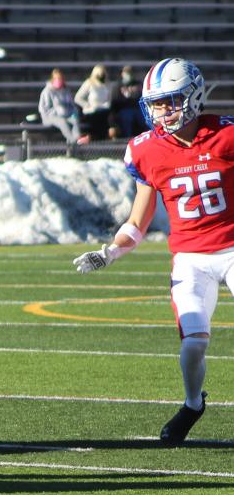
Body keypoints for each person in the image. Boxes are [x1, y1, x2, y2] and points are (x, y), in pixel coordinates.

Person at [72, 58, 233, 445]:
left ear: (193, 97)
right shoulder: (148, 150)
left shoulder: (226, 136)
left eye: (169, 101)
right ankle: (193, 404)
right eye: (156, 103)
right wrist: (110, 252)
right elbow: (137, 222)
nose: (162, 111)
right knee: (194, 344)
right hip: (190, 259)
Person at [38, 68, 83, 149]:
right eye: (56, 78)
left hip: (66, 115)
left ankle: (77, 139)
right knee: (62, 122)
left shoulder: (66, 91)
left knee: (74, 120)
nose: (59, 80)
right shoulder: (47, 91)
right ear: (52, 79)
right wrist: (58, 111)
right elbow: (43, 109)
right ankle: (74, 142)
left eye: (60, 78)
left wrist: (73, 113)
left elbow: (71, 105)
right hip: (50, 117)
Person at [75, 65, 113, 142]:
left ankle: (103, 139)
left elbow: (109, 99)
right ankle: (94, 139)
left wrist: (106, 105)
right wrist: (88, 105)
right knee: (97, 119)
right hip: (91, 111)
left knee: (108, 118)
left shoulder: (107, 84)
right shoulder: (89, 83)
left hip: (104, 110)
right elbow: (77, 98)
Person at [111, 65, 146, 140]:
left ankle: (147, 137)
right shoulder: (119, 86)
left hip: (137, 108)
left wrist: (134, 94)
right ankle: (127, 138)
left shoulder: (138, 84)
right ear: (122, 74)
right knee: (127, 117)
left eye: (130, 72)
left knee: (144, 117)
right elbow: (115, 101)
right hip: (124, 109)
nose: (128, 75)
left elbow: (142, 98)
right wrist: (126, 97)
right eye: (126, 72)